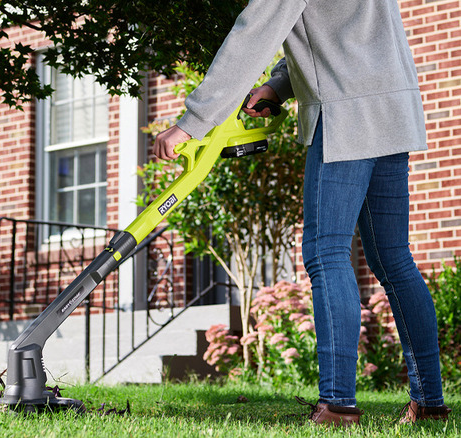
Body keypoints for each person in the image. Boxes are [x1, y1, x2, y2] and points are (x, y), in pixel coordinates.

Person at [152, 0, 452, 426]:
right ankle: (430, 404)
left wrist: (193, 121)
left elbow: (253, 34)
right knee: (393, 258)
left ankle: (338, 405)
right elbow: (340, 34)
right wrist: (279, 86)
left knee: (326, 253)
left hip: (345, 114)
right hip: (393, 112)